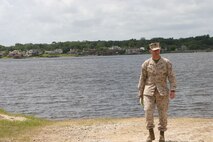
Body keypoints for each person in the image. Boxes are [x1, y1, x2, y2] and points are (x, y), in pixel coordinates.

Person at [138, 42, 176, 142]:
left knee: (163, 114)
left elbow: (171, 76)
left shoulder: (166, 62)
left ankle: (162, 135)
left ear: (160, 50)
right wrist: (140, 94)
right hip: (148, 91)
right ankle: (151, 134)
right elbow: (142, 79)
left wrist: (172, 89)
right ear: (150, 51)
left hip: (162, 91)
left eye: (158, 50)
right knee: (147, 111)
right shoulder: (146, 63)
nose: (156, 52)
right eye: (154, 50)